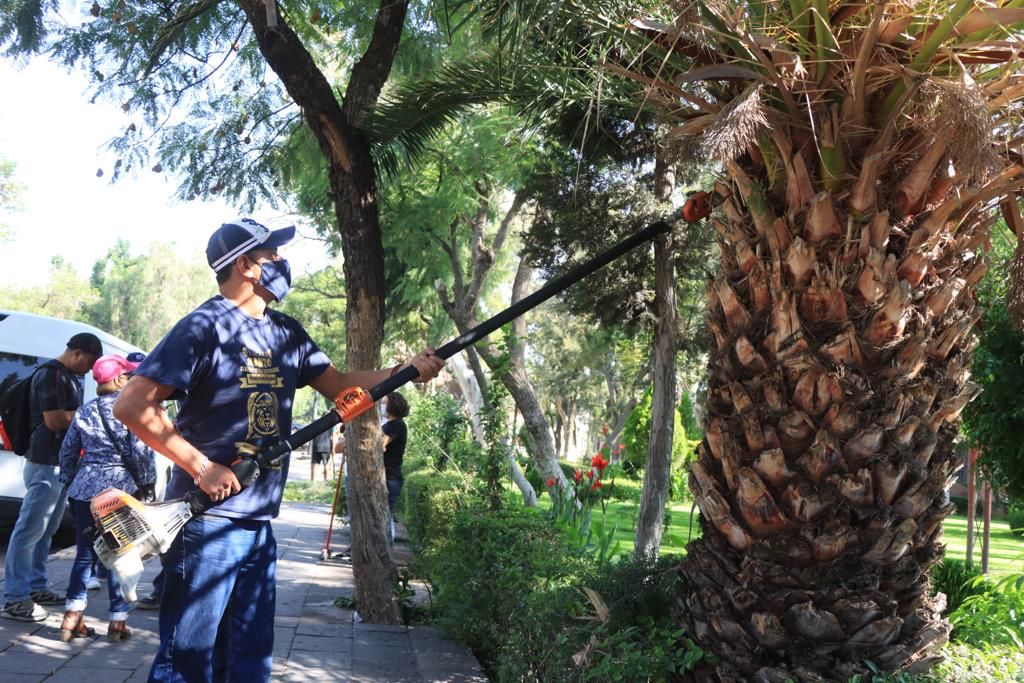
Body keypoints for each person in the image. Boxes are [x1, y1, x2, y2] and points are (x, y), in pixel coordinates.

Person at [112, 217, 444, 682]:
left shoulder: (286, 332)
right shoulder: (203, 327)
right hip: (206, 519)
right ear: (246, 265)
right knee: (187, 659)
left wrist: (404, 369)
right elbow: (132, 404)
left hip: (259, 521)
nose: (283, 261)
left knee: (249, 658)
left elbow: (342, 385)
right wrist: (202, 466)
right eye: (273, 255)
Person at [2, 332, 102, 622]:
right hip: (45, 462)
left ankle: (35, 586)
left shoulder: (67, 376)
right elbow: (54, 419)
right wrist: (88, 413)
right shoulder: (52, 375)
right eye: (90, 363)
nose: (90, 371)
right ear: (78, 354)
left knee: (46, 529)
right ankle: (16, 597)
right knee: (29, 529)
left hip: (57, 463)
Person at [58, 353, 156, 642]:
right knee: (120, 554)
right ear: (116, 380)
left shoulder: (84, 411)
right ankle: (117, 621)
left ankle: (71, 617)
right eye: (127, 375)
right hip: (118, 492)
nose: (130, 379)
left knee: (84, 555)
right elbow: (141, 453)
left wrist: (68, 482)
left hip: (84, 490)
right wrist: (148, 485)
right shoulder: (129, 409)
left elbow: (67, 451)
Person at [382, 392, 409, 543]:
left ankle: (386, 551)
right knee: (382, 518)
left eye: (383, 403)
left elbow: (380, 444)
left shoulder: (396, 425)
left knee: (385, 518)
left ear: (393, 405)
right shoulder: (388, 425)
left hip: (390, 477)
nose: (381, 406)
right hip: (385, 476)